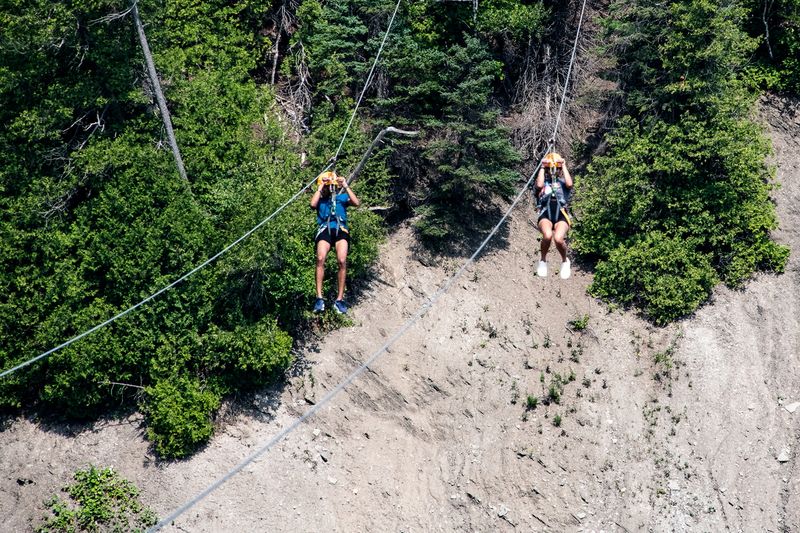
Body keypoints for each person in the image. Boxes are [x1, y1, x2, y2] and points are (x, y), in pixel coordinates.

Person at [310, 170, 361, 314]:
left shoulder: (342, 198)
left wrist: (345, 185)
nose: (329, 189)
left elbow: (356, 203)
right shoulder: (320, 199)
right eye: (327, 187)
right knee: (320, 258)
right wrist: (320, 188)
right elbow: (312, 204)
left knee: (342, 260)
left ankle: (339, 299)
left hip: (340, 230)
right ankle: (319, 298)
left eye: (330, 187)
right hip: (325, 229)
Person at [535, 152, 573, 279]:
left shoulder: (563, 183)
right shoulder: (543, 182)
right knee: (547, 235)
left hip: (561, 214)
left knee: (558, 238)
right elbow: (539, 185)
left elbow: (570, 184)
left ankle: (564, 261)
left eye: (556, 169)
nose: (554, 171)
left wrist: (563, 166)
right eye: (552, 168)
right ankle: (543, 260)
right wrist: (542, 166)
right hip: (546, 213)